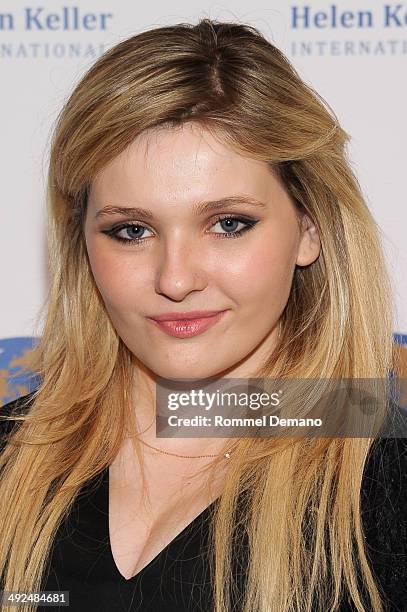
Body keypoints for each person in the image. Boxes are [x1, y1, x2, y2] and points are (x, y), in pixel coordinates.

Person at [0, 18, 406, 612]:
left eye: (229, 224)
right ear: (82, 244)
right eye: (131, 231)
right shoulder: (13, 455)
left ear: (309, 229)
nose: (176, 278)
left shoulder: (387, 480)